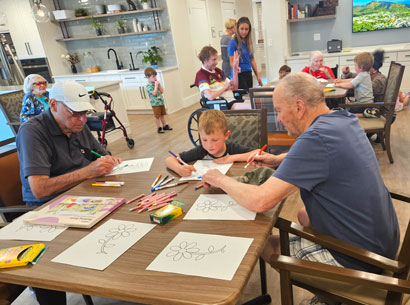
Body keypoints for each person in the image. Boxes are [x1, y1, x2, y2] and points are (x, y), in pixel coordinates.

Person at [202, 73, 399, 303]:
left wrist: (219, 179)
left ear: (298, 107)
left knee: (265, 244)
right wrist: (281, 159)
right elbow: (326, 155)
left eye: (279, 110)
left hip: (363, 261)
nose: (278, 120)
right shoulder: (342, 119)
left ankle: (337, 296)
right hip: (383, 242)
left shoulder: (314, 139)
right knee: (303, 215)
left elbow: (260, 201)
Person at [17, 80, 121, 207]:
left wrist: (108, 162)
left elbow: (101, 156)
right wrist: (88, 172)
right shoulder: (32, 132)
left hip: (85, 192)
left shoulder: (78, 125)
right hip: (50, 204)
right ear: (53, 104)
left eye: (85, 112)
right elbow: (40, 189)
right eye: (76, 113)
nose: (83, 119)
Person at [165, 109, 259, 177]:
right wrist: (179, 169)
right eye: (204, 140)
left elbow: (259, 153)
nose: (209, 145)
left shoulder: (232, 148)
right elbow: (169, 159)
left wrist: (231, 158)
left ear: (226, 135)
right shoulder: (201, 150)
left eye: (215, 140)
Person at [228, 16, 263, 90]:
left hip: (248, 73)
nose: (244, 31)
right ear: (237, 29)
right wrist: (236, 68)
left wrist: (258, 76)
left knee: (249, 97)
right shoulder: (233, 43)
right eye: (242, 29)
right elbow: (231, 62)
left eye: (246, 29)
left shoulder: (248, 43)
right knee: (243, 98)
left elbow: (252, 59)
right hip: (239, 74)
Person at [334, 52, 374, 116]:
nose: (354, 67)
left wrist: (339, 85)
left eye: (355, 65)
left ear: (361, 67)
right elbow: (353, 80)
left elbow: (350, 85)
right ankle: (364, 114)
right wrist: (341, 81)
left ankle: (364, 114)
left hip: (363, 104)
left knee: (347, 111)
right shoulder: (364, 74)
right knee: (349, 109)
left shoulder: (362, 75)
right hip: (366, 103)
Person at [144, 67, 173, 134]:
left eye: (155, 76)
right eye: (153, 76)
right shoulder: (149, 86)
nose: (155, 78)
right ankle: (159, 128)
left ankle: (164, 125)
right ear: (148, 77)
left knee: (162, 115)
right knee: (157, 116)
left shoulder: (156, 83)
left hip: (160, 102)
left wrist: (159, 85)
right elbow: (154, 93)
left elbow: (162, 91)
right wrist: (156, 86)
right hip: (155, 104)